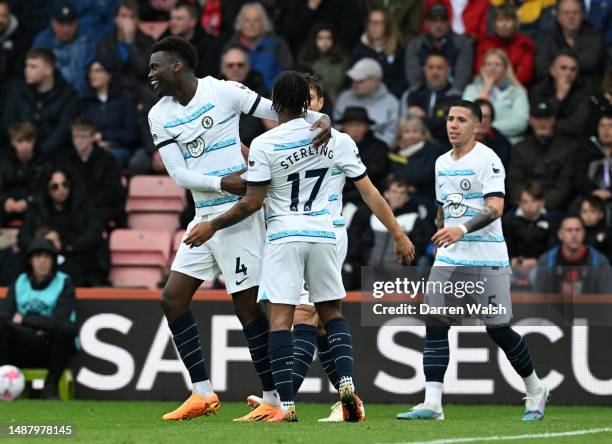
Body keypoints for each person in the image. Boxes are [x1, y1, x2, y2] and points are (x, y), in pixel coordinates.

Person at [182, 70, 415, 422]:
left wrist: (212, 225)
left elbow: (252, 202)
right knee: (332, 314)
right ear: (309, 104)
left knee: (281, 320)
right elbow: (369, 192)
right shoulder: (336, 138)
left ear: (275, 104)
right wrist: (397, 232)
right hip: (325, 233)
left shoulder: (266, 143)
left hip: (284, 237)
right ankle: (347, 384)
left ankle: (285, 405)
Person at [146, 36, 331, 421]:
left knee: (247, 308)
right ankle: (202, 393)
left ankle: (272, 398)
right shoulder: (159, 114)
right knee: (172, 299)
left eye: (155, 66)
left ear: (177, 65)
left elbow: (278, 111)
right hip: (204, 215)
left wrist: (321, 118)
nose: (150, 74)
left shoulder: (223, 91)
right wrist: (221, 183)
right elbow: (178, 172)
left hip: (238, 215)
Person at [397, 99, 549, 421]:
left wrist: (461, 230)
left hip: (487, 254)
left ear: (476, 126)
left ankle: (535, 389)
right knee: (435, 325)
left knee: (497, 329)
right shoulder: (441, 162)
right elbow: (444, 207)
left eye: (462, 120)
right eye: (450, 119)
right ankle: (432, 404)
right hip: (451, 256)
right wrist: (442, 233)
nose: (453, 125)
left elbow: (496, 207)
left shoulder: (488, 159)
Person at [0, 239, 77, 400]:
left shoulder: (64, 282)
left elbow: (60, 320)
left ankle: (51, 387)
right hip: (21, 343)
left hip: (49, 347)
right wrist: (37, 327)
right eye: (38, 256)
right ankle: (6, 378)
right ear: (30, 260)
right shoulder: (20, 282)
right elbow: (5, 314)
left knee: (67, 329)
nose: (42, 261)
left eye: (47, 257)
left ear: (53, 262)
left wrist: (23, 319)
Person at [17, 169, 108, 287]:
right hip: (44, 255)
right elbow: (23, 236)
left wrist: (69, 246)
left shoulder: (83, 205)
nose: (61, 190)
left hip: (77, 254)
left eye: (65, 185)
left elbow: (95, 232)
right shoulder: (36, 209)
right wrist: (44, 244)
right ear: (47, 189)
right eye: (55, 186)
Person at [2, 48, 79, 156]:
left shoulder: (67, 95)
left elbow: (63, 130)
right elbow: (8, 123)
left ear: (48, 70)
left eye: (33, 66)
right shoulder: (17, 91)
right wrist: (21, 145)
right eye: (26, 65)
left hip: (54, 155)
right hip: (17, 153)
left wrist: (39, 151)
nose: (27, 70)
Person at [56, 117, 126, 230]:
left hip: (101, 208)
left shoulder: (108, 160)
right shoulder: (66, 160)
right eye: (75, 136)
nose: (78, 141)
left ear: (93, 137)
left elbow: (114, 191)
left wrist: (87, 203)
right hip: (74, 208)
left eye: (82, 136)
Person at [508, 98, 577, 211]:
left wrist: (542, 205)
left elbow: (564, 184)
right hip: (522, 206)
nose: (542, 122)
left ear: (554, 120)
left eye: (547, 118)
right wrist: (527, 203)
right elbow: (514, 181)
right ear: (530, 120)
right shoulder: (519, 148)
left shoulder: (566, 148)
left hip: (554, 207)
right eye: (538, 118)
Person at [80, 55, 139, 168]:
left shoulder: (125, 100)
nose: (92, 75)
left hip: (118, 149)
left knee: (105, 159)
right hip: (90, 148)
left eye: (98, 71)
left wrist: (103, 135)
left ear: (109, 74)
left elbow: (130, 135)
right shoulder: (86, 101)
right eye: (91, 71)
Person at [535, 0, 606, 89]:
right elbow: (542, 67)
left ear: (582, 15)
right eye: (566, 13)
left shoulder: (595, 36)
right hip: (553, 90)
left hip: (586, 91)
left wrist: (559, 66)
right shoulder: (547, 38)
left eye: (575, 12)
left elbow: (591, 63)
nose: (571, 16)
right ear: (558, 16)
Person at [404, 3, 474, 93]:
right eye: (434, 21)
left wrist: (451, 97)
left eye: (442, 21)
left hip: (453, 94)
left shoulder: (462, 44)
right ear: (427, 23)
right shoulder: (415, 45)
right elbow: (414, 78)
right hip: (422, 94)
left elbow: (462, 77)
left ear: (448, 22)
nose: (438, 25)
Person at [463, 48, 529, 143]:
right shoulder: (471, 90)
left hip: (509, 143)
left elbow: (520, 123)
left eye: (498, 65)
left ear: (505, 69)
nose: (492, 68)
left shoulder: (518, 91)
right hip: (475, 143)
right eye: (489, 64)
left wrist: (487, 128)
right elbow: (467, 118)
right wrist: (486, 88)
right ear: (482, 68)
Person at [223, 2, 293, 90]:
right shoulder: (231, 47)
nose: (251, 24)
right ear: (240, 23)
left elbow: (288, 74)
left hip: (273, 97)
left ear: (264, 23)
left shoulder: (278, 44)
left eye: (256, 20)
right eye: (247, 20)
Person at [32, 0, 96, 96]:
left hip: (80, 100)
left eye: (70, 23)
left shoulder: (87, 43)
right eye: (61, 23)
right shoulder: (42, 42)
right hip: (48, 100)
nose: (66, 29)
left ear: (77, 23)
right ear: (52, 23)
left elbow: (87, 79)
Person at [534, 216, 611, 294]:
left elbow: (607, 298)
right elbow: (539, 298)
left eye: (578, 230)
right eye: (569, 230)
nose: (574, 234)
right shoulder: (546, 261)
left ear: (584, 233)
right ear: (560, 234)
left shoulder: (600, 261)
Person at [96, 0, 155, 99]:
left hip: (140, 97)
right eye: (123, 16)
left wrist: (130, 42)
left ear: (137, 21)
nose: (127, 21)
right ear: (116, 19)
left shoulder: (148, 42)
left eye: (131, 17)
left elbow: (143, 71)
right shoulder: (105, 43)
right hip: (114, 96)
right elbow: (107, 72)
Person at [334, 58, 400, 146]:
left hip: (376, 153)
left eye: (360, 81)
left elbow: (392, 134)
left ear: (375, 81)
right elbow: (336, 127)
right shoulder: (344, 97)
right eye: (353, 80)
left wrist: (377, 150)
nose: (354, 84)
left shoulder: (391, 103)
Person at [400, 51, 461, 142]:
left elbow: (449, 130)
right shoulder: (412, 95)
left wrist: (422, 118)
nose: (434, 72)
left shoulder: (456, 97)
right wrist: (437, 122)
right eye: (431, 67)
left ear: (448, 70)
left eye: (439, 68)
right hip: (416, 146)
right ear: (424, 69)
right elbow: (404, 127)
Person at [531, 50, 591, 139]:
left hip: (573, 142)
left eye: (573, 69)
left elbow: (577, 126)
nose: (568, 73)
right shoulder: (539, 90)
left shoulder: (585, 92)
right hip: (543, 140)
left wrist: (548, 125)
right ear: (552, 71)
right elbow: (537, 122)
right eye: (563, 68)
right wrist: (559, 97)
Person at [218, 46, 272, 146]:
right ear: (223, 69)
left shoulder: (261, 88)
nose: (235, 69)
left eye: (240, 65)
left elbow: (271, 124)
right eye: (230, 65)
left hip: (255, 146)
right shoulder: (214, 90)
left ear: (248, 67)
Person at [336, 107, 389, 201]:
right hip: (336, 194)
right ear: (343, 126)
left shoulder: (379, 147)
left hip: (367, 197)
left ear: (367, 126)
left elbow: (374, 174)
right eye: (350, 125)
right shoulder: (333, 144)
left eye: (359, 125)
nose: (354, 129)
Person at [475, 4, 535, 87]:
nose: (504, 24)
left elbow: (525, 76)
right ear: (494, 24)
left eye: (508, 20)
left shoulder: (525, 44)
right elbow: (479, 70)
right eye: (500, 20)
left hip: (515, 88)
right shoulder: (485, 44)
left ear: (515, 23)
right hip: (487, 86)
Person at [351, 8, 406, 98]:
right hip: (363, 96)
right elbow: (352, 76)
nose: (373, 26)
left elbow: (402, 79)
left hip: (390, 97)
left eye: (378, 23)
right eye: (371, 22)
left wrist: (388, 97)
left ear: (387, 26)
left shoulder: (397, 49)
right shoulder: (360, 48)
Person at [0, 123, 45, 227]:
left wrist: (28, 201)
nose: (25, 145)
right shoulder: (3, 161)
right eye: (20, 141)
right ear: (12, 142)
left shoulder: (42, 161)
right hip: (7, 204)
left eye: (28, 141)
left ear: (34, 141)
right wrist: (6, 200)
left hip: (32, 205)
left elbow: (43, 189)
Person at [161, 1, 221, 79]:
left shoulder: (209, 45)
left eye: (179, 19)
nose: (173, 23)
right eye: (172, 18)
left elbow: (207, 77)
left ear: (192, 22)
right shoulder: (163, 42)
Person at [388, 116, 441, 202]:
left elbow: (425, 176)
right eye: (407, 132)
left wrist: (399, 180)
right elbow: (387, 175)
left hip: (422, 197)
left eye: (415, 131)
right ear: (401, 134)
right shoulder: (395, 150)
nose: (411, 135)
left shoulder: (432, 150)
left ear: (423, 133)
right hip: (393, 195)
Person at [503, 181, 553, 271]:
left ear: (541, 203)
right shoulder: (510, 223)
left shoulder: (549, 222)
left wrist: (537, 261)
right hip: (513, 267)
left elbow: (551, 250)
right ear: (519, 203)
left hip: (540, 268)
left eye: (533, 201)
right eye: (525, 201)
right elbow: (505, 248)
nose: (529, 205)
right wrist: (511, 260)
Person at [298, 23, 349, 103]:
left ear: (334, 40)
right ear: (313, 40)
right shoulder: (305, 61)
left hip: (340, 101)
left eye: (328, 38)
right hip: (314, 104)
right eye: (320, 38)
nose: (325, 42)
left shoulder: (343, 60)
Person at [574, 113, 612, 203]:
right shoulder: (587, 151)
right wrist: (593, 191)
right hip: (590, 197)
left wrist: (609, 192)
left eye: (610, 126)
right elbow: (579, 176)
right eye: (602, 126)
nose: (606, 130)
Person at [0, 0, 32, 96]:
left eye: (3, 16)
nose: (0, 20)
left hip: (9, 94)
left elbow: (18, 75)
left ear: (10, 15)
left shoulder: (22, 38)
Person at [473, 98, 511, 169]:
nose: (483, 120)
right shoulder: (458, 138)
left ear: (491, 120)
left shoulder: (502, 143)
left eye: (486, 117)